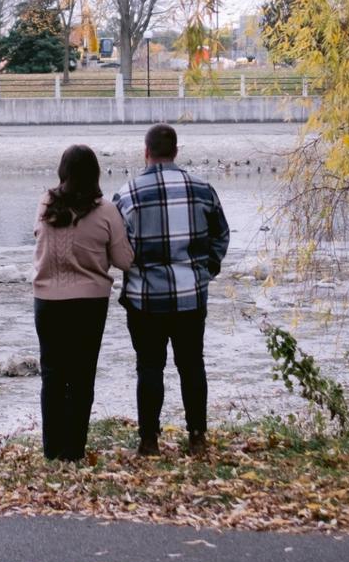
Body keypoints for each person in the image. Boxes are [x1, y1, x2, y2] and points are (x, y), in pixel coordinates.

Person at [113, 123, 229, 456]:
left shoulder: (127, 195)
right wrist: (206, 270)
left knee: (149, 367)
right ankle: (197, 437)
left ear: (146, 152)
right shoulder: (202, 190)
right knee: (192, 365)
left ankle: (149, 440)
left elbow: (117, 247)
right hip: (191, 296)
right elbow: (221, 235)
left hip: (145, 298)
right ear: (176, 151)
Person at [30, 143, 133, 462]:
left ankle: (52, 449)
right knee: (81, 376)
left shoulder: (46, 202)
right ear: (95, 173)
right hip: (89, 303)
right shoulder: (106, 211)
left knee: (52, 375)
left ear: (63, 171)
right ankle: (74, 449)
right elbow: (124, 260)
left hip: (47, 300)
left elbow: (38, 237)